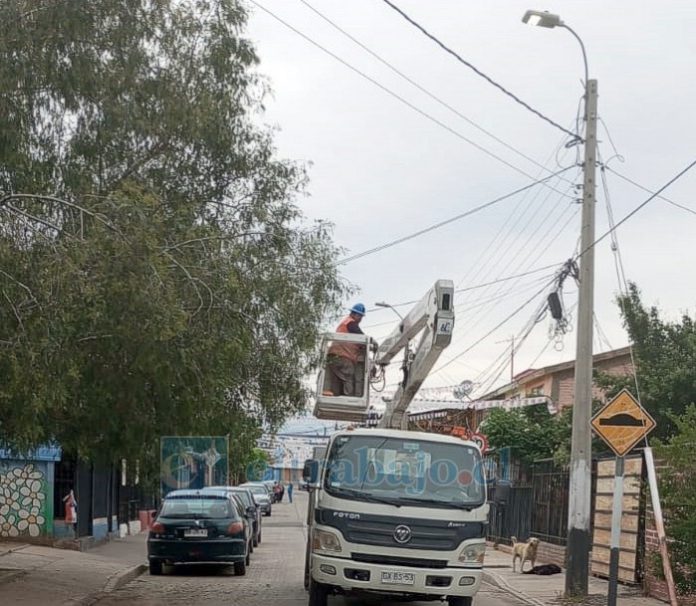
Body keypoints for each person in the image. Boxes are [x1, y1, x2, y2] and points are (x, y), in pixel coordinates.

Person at [327, 303, 374, 397]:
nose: (360, 319)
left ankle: (336, 397)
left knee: (337, 379)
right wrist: (372, 342)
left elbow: (355, 340)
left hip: (332, 356)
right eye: (360, 316)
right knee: (349, 375)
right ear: (355, 314)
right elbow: (361, 336)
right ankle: (348, 397)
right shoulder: (351, 323)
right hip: (343, 356)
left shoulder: (344, 324)